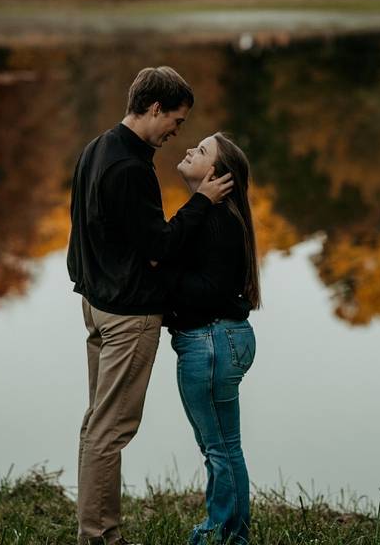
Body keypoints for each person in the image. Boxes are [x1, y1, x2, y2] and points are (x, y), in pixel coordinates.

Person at [67, 66, 233, 545]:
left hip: (97, 304)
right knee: (111, 429)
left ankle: (94, 531)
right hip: (127, 316)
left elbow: (80, 233)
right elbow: (159, 245)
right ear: (155, 108)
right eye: (176, 122)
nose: (176, 133)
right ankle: (100, 537)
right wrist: (200, 201)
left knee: (96, 424)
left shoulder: (96, 148)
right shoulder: (129, 168)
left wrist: (87, 285)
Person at [164, 132, 261, 545]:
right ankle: (225, 530)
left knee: (221, 449)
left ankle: (224, 534)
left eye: (201, 151)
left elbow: (210, 291)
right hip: (216, 341)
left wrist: (162, 283)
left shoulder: (218, 221)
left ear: (219, 177)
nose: (188, 149)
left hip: (212, 341)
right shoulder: (209, 215)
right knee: (220, 447)